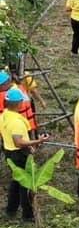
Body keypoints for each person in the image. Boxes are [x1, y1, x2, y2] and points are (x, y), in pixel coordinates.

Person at [2, 87, 49, 221]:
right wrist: (38, 140)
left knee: (16, 181)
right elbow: (18, 142)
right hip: (18, 153)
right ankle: (27, 216)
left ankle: (11, 210)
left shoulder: (4, 115)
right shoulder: (16, 121)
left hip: (9, 151)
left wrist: (31, 145)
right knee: (26, 185)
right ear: (19, 103)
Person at [0, 70, 37, 135]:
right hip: (26, 123)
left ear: (4, 84)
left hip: (15, 126)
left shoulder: (8, 95)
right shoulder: (19, 88)